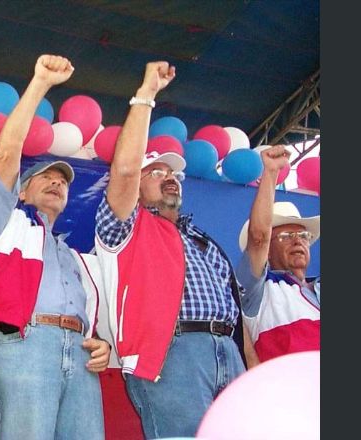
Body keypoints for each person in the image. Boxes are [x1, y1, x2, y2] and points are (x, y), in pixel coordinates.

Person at [92, 61, 247, 438]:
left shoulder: (203, 240)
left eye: (174, 174)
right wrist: (146, 94)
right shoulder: (125, 228)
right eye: (157, 173)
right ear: (139, 188)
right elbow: (125, 171)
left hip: (227, 350)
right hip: (171, 354)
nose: (170, 179)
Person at [0, 54, 111, 440]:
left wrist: (98, 344)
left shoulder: (75, 257)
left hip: (79, 354)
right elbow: (6, 153)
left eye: (62, 181)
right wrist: (40, 84)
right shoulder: (6, 224)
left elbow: (95, 317)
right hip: (25, 343)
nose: (55, 183)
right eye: (44, 178)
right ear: (22, 190)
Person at [237, 145, 320, 363]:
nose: (297, 240)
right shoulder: (258, 291)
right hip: (290, 394)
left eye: (303, 235)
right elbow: (258, 238)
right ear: (268, 251)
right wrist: (271, 173)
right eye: (285, 236)